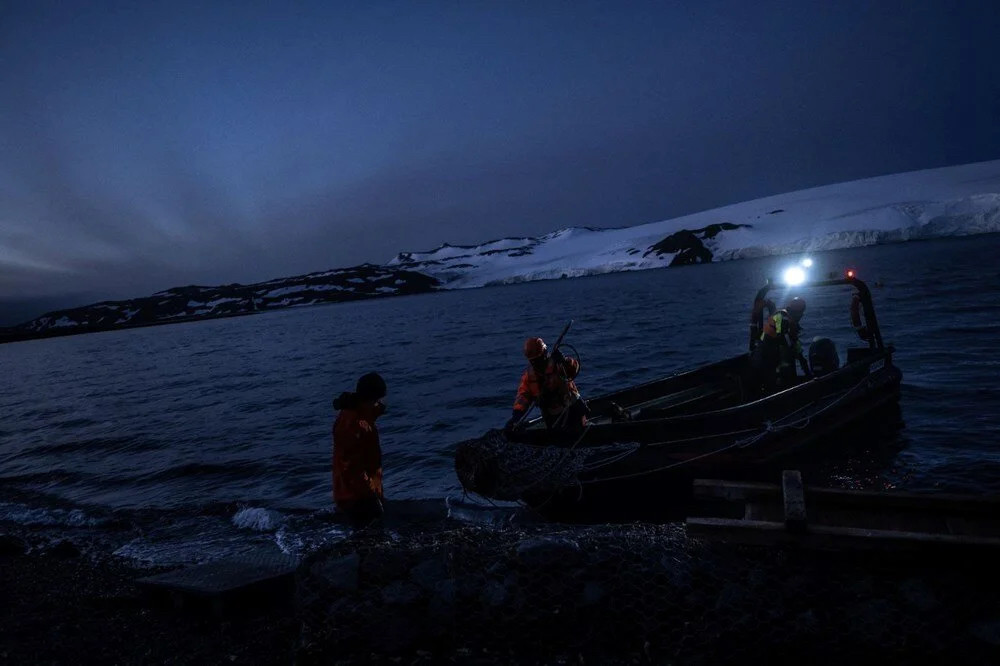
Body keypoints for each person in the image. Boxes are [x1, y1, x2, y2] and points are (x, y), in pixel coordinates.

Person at [332, 372, 387, 528]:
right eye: (379, 399)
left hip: (358, 493)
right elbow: (352, 467)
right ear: (372, 399)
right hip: (357, 498)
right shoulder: (354, 424)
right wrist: (372, 495)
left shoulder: (357, 417)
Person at [505, 337, 587, 436]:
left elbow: (574, 370)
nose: (536, 363)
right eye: (533, 361)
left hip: (571, 408)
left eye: (538, 359)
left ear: (545, 354)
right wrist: (516, 416)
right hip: (551, 415)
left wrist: (564, 361)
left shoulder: (558, 364)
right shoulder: (529, 376)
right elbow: (523, 396)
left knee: (579, 432)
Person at [752, 296, 812, 393]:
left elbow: (794, 343)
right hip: (765, 357)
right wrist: (801, 360)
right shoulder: (783, 319)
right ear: (796, 312)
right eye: (800, 313)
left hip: (769, 356)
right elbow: (786, 339)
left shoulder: (786, 320)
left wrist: (802, 360)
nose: (801, 316)